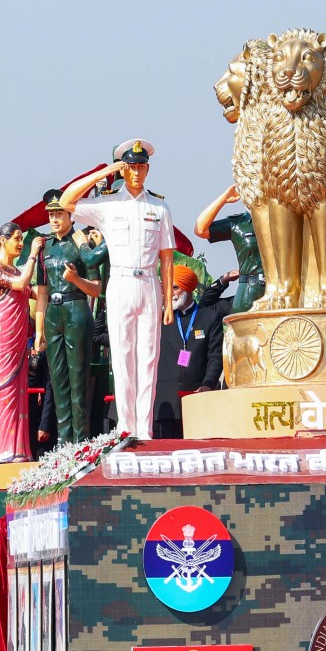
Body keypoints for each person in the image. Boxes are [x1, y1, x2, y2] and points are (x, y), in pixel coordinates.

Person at [61, 140, 177, 441]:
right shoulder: (107, 205)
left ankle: (144, 430)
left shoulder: (159, 207)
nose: (136, 172)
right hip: (121, 282)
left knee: (148, 358)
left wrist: (166, 302)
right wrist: (104, 172)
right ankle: (126, 428)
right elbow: (66, 202)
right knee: (123, 356)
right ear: (123, 170)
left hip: (149, 283)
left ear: (147, 169)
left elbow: (167, 256)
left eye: (141, 167)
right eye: (130, 167)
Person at [34, 197, 104, 446]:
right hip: (52, 312)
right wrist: (39, 330)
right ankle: (63, 442)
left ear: (70, 215)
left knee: (77, 377)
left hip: (76, 307)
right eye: (51, 214)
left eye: (59, 214)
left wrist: (75, 280)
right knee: (57, 378)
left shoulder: (80, 242)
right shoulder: (45, 247)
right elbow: (41, 292)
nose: (54, 219)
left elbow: (96, 289)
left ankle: (81, 441)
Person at [0, 222, 41, 464]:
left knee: (19, 392)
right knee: (5, 392)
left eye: (22, 239)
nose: (20, 243)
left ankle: (19, 449)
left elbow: (36, 292)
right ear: (2, 240)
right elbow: (20, 286)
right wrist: (32, 256)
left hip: (19, 338)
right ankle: (3, 451)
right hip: (2, 336)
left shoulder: (18, 271)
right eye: (16, 238)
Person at [152, 266, 227, 439]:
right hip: (165, 402)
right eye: (167, 288)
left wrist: (208, 383)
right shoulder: (159, 318)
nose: (170, 293)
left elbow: (215, 356)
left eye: (175, 287)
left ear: (188, 288)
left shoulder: (208, 317)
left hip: (196, 399)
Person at [195, 185, 265, 313]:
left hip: (284, 292)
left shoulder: (289, 220)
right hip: (249, 294)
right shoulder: (238, 224)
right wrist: (223, 199)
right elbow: (200, 229)